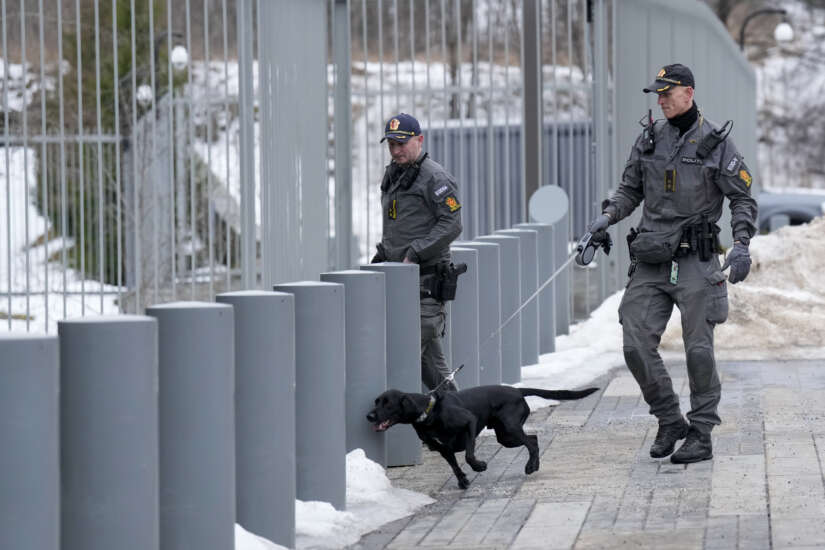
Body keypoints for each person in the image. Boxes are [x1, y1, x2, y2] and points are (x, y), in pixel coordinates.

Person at [587, 64, 757, 464]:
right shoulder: (649, 139)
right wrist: (607, 218)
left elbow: (742, 198)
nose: (661, 100)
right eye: (657, 94)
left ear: (689, 93)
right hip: (652, 258)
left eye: (667, 92)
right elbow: (629, 190)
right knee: (634, 343)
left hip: (696, 260)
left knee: (698, 351)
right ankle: (669, 419)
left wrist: (742, 244)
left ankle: (701, 433)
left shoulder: (716, 143)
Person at [371, 113, 463, 392]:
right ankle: (458, 414)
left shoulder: (434, 177)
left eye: (401, 144)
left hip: (425, 284)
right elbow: (399, 223)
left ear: (419, 140)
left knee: (402, 351)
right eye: (391, 145)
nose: (396, 151)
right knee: (430, 365)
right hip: (401, 281)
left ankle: (450, 416)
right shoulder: (396, 174)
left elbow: (452, 223)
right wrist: (384, 254)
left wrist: (414, 252)